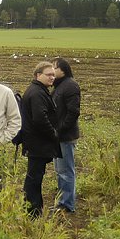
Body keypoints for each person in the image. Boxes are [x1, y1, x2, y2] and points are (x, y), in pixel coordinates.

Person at [20, 61, 61, 218]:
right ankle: (32, 213)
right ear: (38, 75)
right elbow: (40, 119)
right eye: (48, 74)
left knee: (35, 177)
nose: (52, 77)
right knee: (34, 178)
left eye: (53, 75)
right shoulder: (37, 93)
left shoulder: (39, 90)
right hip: (37, 144)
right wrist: (54, 134)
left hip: (37, 144)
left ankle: (34, 209)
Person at [51, 57, 80, 213]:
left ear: (63, 69)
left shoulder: (70, 86)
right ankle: (62, 202)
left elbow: (73, 112)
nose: (52, 71)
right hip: (59, 137)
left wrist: (60, 129)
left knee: (66, 172)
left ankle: (67, 205)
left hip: (65, 137)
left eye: (54, 67)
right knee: (60, 171)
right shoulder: (59, 86)